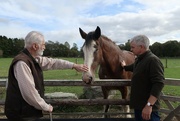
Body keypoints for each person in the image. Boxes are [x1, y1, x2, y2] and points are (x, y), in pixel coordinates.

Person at [4, 31, 89, 121]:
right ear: (35, 46)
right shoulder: (22, 63)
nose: (45, 47)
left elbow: (53, 62)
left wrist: (73, 65)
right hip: (21, 115)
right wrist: (45, 107)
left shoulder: (33, 59)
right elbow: (29, 93)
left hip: (26, 112)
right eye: (43, 44)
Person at [121, 35, 164, 121]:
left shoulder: (152, 60)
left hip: (148, 110)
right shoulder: (140, 60)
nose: (131, 50)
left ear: (141, 47)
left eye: (133, 47)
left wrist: (149, 105)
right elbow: (134, 67)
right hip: (139, 107)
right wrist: (124, 67)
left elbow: (158, 83)